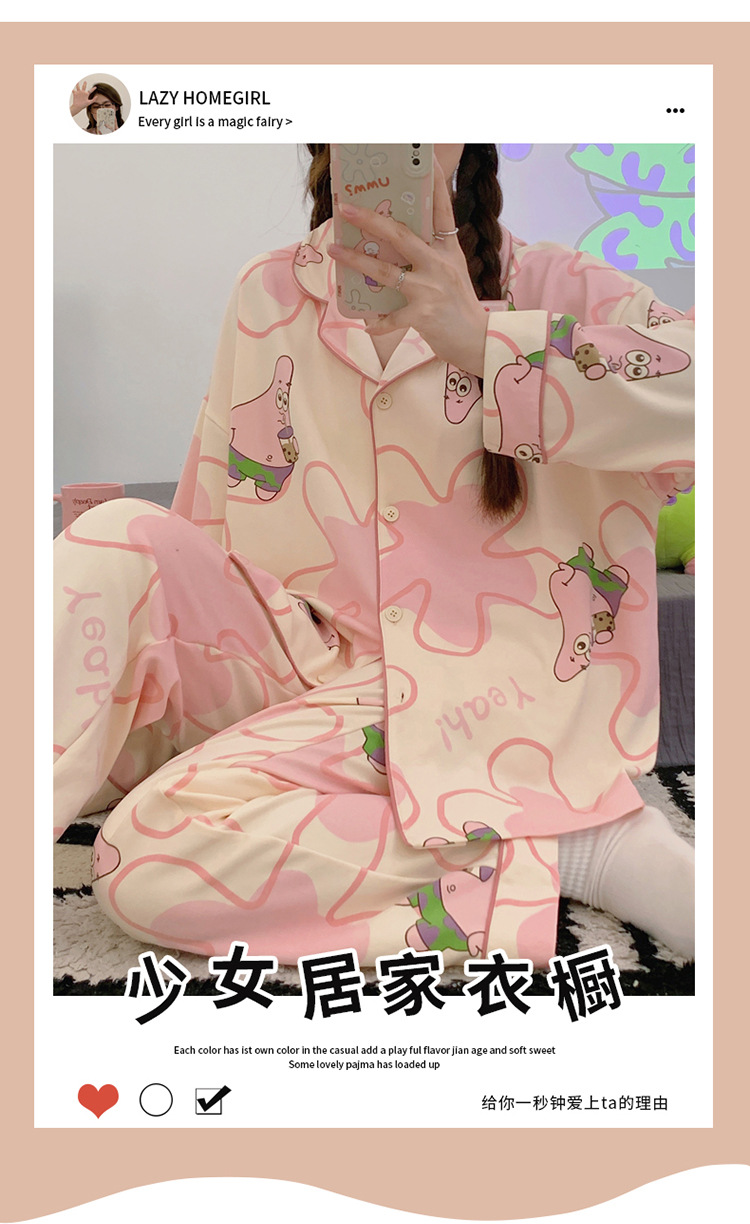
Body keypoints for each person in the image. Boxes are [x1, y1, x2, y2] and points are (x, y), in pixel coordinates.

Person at [54, 144, 695, 969]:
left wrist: (485, 342)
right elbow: (206, 528)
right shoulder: (267, 292)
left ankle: (576, 852)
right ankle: (534, 832)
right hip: (307, 672)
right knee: (112, 537)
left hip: (488, 693)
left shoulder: (560, 287)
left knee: (149, 852)